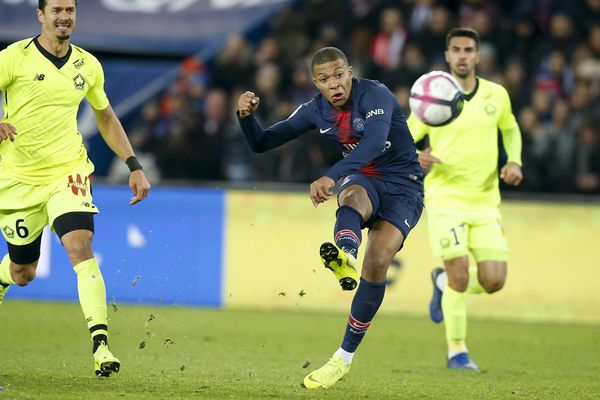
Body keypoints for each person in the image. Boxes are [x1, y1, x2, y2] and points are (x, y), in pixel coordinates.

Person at [237, 46, 424, 389]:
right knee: (351, 196)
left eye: (339, 75)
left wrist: (330, 175)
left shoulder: (375, 94)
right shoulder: (315, 111)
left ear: (350, 72)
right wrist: (247, 118)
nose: (335, 84)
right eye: (325, 79)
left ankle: (342, 359)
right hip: (363, 178)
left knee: (379, 260)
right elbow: (262, 143)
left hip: (403, 185)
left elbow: (373, 142)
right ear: (316, 83)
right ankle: (345, 257)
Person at [0, 0, 151, 377]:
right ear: (41, 15)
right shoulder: (13, 58)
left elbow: (104, 115)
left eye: (70, 10)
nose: (64, 16)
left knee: (79, 245)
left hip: (68, 171)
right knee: (24, 271)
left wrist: (133, 164)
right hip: (18, 179)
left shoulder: (88, 65)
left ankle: (101, 345)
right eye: (56, 10)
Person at [407, 27, 523, 370]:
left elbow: (511, 128)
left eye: (468, 49)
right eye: (455, 49)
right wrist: (416, 157)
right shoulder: (433, 98)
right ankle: (457, 351)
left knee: (493, 281)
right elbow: (404, 140)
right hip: (445, 198)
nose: (461, 55)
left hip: (486, 201)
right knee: (460, 275)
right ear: (446, 56)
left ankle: (440, 283)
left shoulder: (496, 95)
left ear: (477, 55)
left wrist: (514, 160)